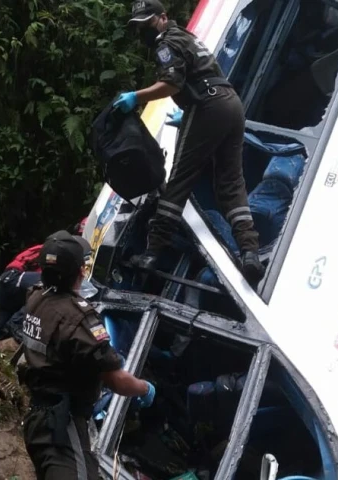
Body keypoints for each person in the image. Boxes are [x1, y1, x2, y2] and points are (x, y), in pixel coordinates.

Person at [116, 0, 264, 286]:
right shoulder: (186, 36)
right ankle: (250, 253)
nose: (143, 30)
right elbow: (203, 73)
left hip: (207, 106)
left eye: (147, 23)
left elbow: (172, 83)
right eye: (139, 27)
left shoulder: (165, 43)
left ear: (162, 18)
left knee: (179, 180)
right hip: (231, 104)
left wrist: (136, 97)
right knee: (231, 183)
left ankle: (152, 253)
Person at [19, 230, 155, 479]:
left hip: (37, 419)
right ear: (81, 271)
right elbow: (116, 381)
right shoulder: (79, 319)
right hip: (63, 426)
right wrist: (145, 389)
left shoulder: (36, 297)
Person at [0, 217, 88, 341]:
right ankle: (16, 324)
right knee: (46, 291)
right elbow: (52, 268)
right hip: (13, 276)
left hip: (7, 282)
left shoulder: (55, 247)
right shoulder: (57, 249)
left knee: (1, 326)